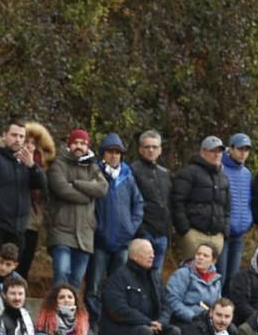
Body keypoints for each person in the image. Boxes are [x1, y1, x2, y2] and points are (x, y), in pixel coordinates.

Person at [0, 118, 46, 255]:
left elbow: (41, 184)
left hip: (19, 230)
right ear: (4, 135)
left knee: (13, 274)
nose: (17, 139)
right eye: (14, 135)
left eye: (21, 136)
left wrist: (33, 167)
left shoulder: (25, 161)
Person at [46, 128, 107, 290]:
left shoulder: (92, 166)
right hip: (62, 230)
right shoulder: (58, 163)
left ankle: (70, 314)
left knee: (76, 280)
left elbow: (102, 188)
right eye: (75, 143)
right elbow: (62, 189)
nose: (79, 146)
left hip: (86, 233)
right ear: (69, 145)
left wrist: (77, 184)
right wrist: (87, 196)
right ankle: (53, 312)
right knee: (62, 272)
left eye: (83, 143)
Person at [98, 238, 181, 335]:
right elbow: (118, 309)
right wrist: (147, 322)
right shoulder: (118, 277)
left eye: (152, 252)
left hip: (152, 326)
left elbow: (166, 305)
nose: (152, 256)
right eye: (147, 253)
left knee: (174, 332)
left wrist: (161, 322)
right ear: (134, 256)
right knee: (145, 332)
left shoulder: (155, 277)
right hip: (122, 327)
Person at [92, 132, 145, 308]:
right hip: (100, 240)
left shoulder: (128, 178)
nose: (114, 155)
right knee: (95, 284)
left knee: (118, 286)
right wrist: (96, 227)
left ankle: (111, 320)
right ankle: (93, 320)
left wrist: (131, 227)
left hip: (123, 242)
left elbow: (138, 205)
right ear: (103, 154)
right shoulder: (95, 174)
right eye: (110, 152)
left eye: (117, 152)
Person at [170, 136, 231, 263]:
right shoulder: (188, 173)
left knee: (210, 278)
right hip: (194, 235)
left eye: (219, 151)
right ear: (202, 152)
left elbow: (227, 207)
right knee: (189, 276)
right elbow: (177, 201)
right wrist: (185, 230)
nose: (217, 155)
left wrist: (224, 232)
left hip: (216, 237)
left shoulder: (223, 177)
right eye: (212, 151)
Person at [133, 130, 174, 270]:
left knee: (156, 278)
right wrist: (140, 230)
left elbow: (168, 203)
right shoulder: (133, 170)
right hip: (143, 232)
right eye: (147, 147)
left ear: (160, 150)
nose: (151, 150)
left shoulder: (164, 173)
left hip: (162, 233)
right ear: (140, 149)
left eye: (155, 147)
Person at [218, 133, 254, 277]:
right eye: (240, 149)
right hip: (223, 233)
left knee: (233, 276)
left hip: (239, 234)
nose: (243, 153)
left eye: (246, 150)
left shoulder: (247, 173)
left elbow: (248, 199)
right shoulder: (220, 169)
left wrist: (249, 221)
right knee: (221, 274)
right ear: (230, 149)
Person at [166, 241, 223, 325]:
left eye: (205, 256)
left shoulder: (216, 280)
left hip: (207, 320)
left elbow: (218, 306)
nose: (200, 257)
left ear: (213, 261)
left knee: (232, 330)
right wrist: (192, 317)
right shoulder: (183, 273)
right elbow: (172, 300)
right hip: (184, 320)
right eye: (198, 254)